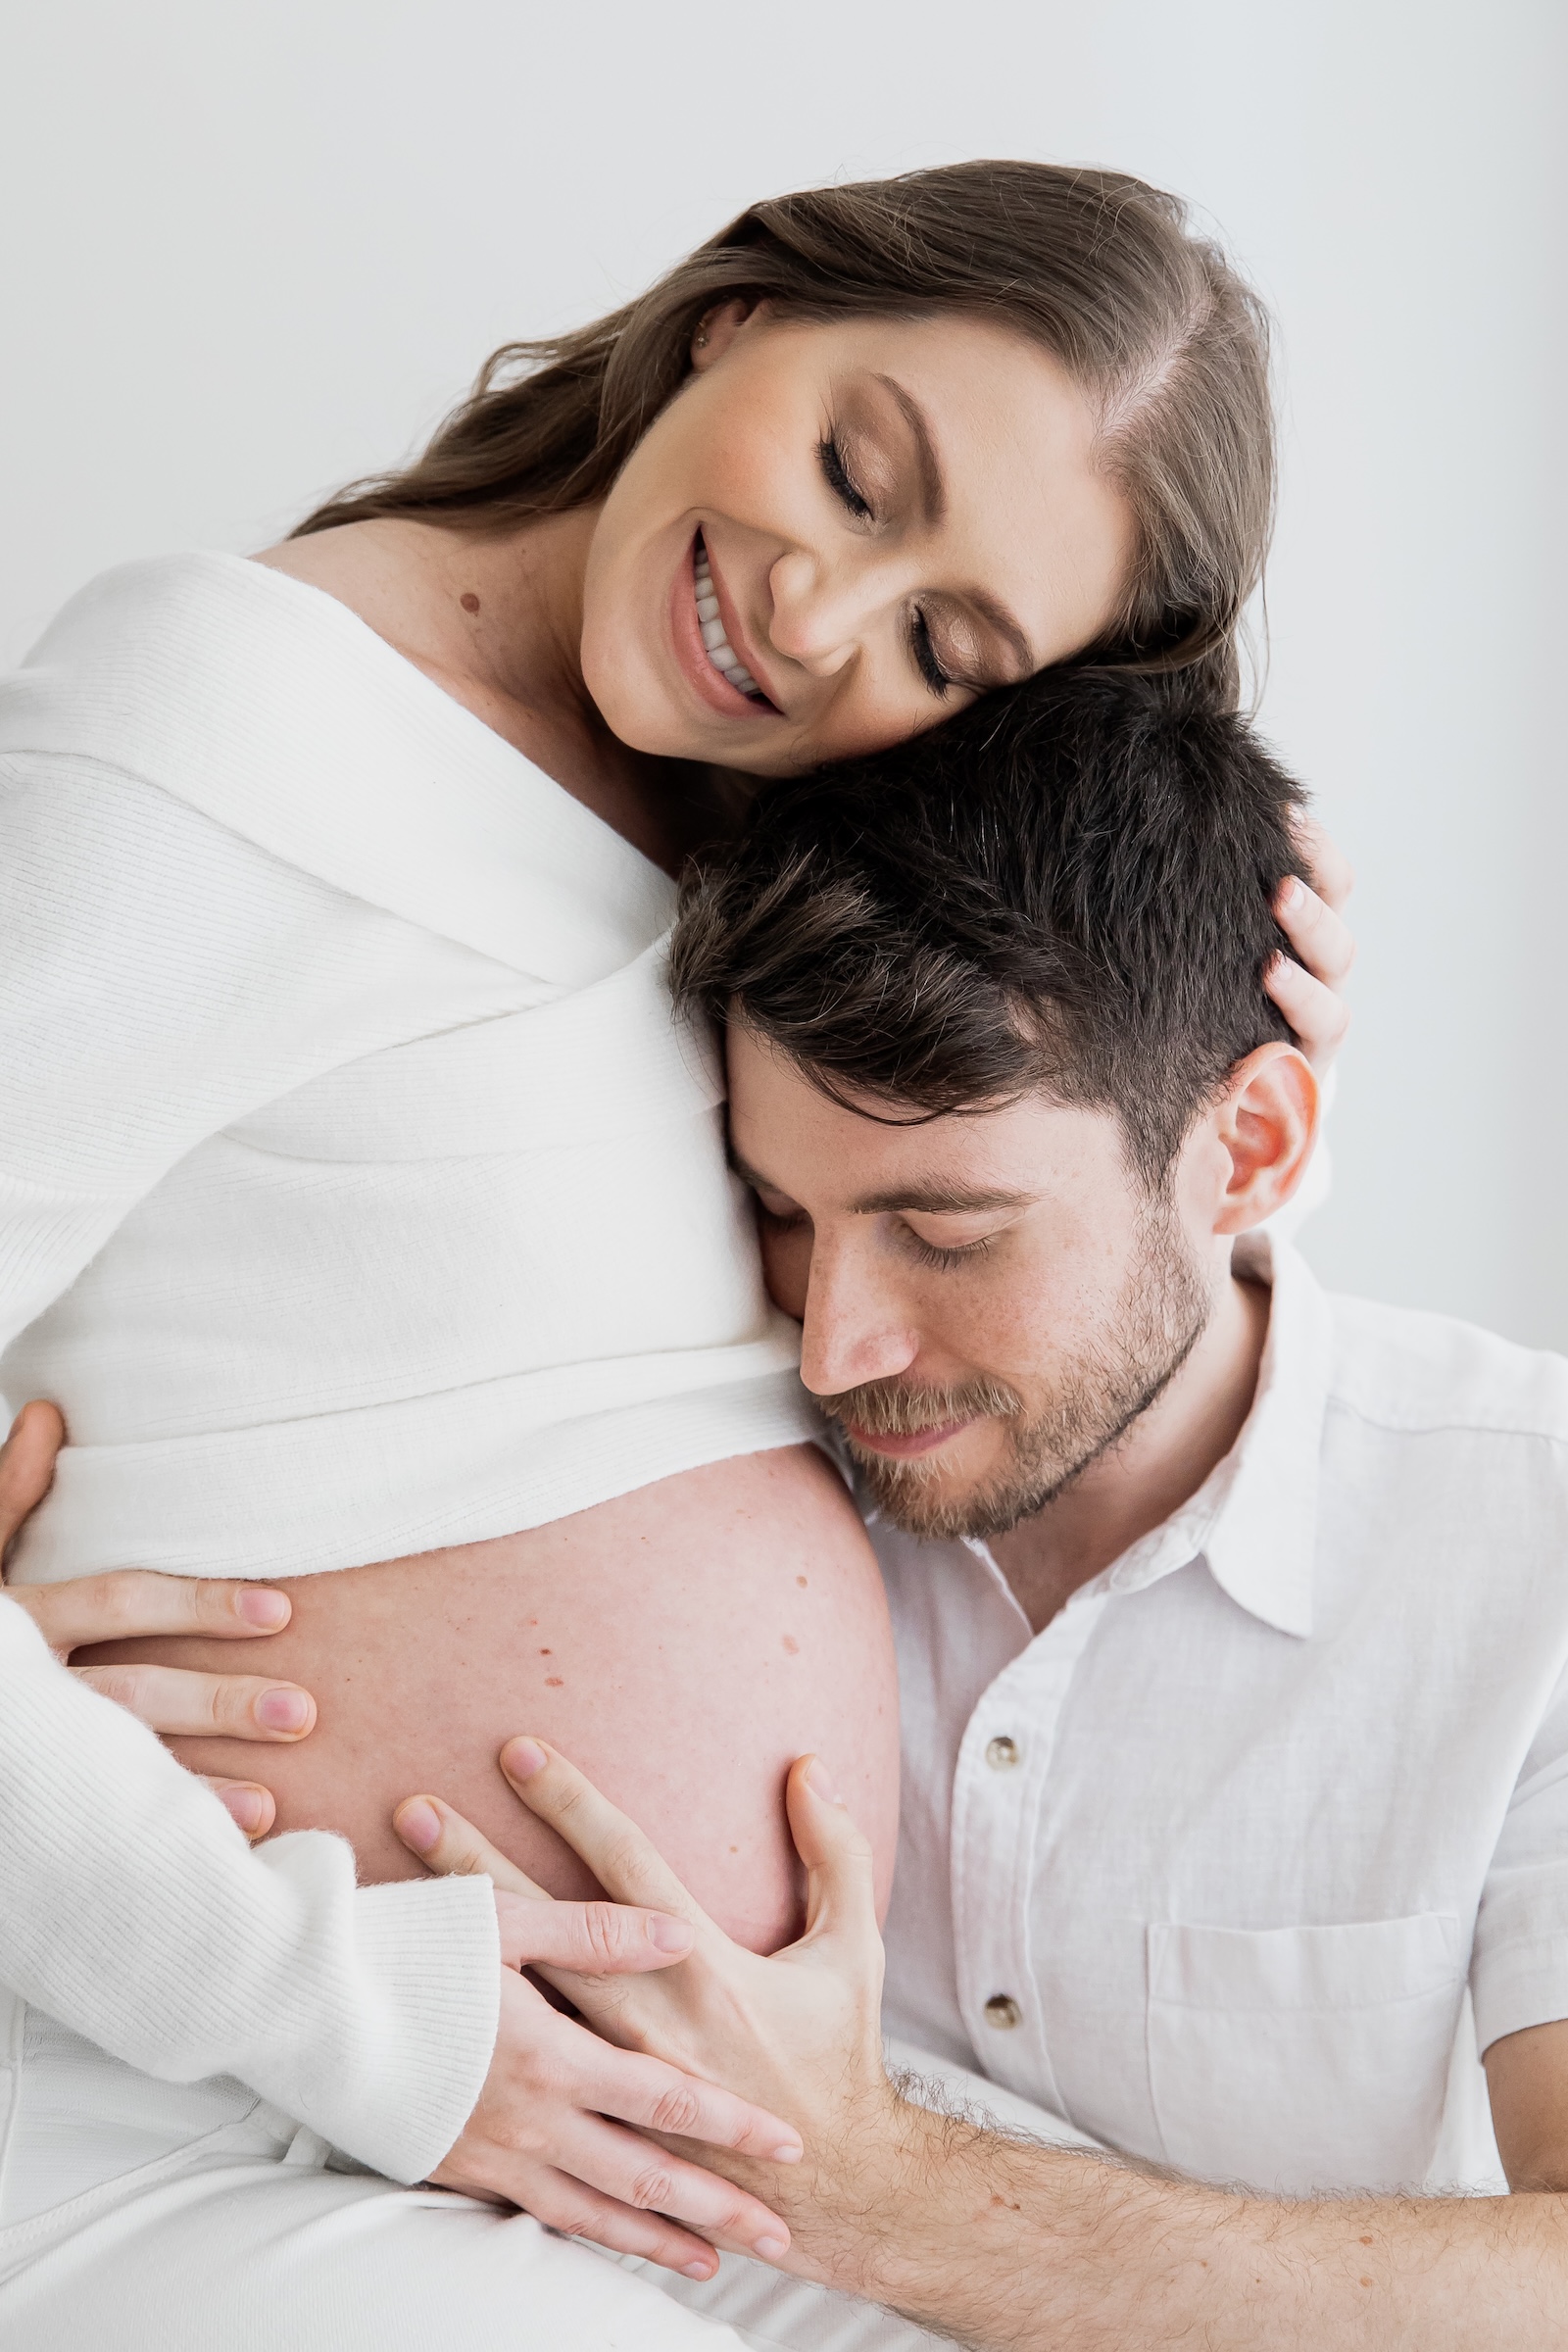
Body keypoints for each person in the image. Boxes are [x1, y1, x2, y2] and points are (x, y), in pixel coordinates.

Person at [0, 163, 1353, 2340]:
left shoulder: (751, 831)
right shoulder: (235, 721)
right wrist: (368, 2034)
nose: (816, 620)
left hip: (667, 2143)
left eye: (946, 643)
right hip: (243, 2113)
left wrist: (1207, 1059)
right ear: (740, 313)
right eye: (850, 468)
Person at [399, 665, 1568, 2347]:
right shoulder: (689, 1435)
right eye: (782, 1211)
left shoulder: (1517, 1539)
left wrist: (878, 2188)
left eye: (948, 1232)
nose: (833, 1342)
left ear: (1247, 1149)